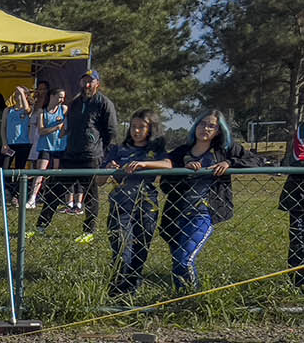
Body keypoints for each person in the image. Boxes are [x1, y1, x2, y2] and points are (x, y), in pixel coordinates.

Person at [159, 109, 263, 292]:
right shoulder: (181, 152)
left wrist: (229, 163)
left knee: (185, 259)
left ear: (218, 131)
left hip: (203, 213)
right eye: (202, 124)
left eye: (211, 126)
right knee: (177, 260)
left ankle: (193, 297)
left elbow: (256, 160)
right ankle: (179, 297)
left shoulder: (224, 151)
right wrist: (184, 170)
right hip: (177, 214)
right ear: (195, 126)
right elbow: (165, 186)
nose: (205, 128)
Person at [100, 109, 170, 298]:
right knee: (122, 248)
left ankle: (132, 290)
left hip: (147, 205)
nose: (136, 131)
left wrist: (144, 164)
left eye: (141, 127)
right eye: (133, 126)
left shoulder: (154, 152)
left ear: (151, 129)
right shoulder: (117, 150)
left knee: (141, 248)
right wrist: (108, 169)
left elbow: (168, 165)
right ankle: (116, 289)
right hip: (120, 205)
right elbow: (98, 180)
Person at [40, 71, 117, 244]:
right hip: (71, 155)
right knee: (55, 190)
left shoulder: (104, 103)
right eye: (84, 81)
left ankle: (89, 231)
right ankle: (40, 227)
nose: (87, 85)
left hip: (91, 157)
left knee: (90, 195)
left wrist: (101, 153)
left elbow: (112, 131)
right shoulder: (75, 103)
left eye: (90, 82)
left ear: (97, 83)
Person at [26, 87, 67, 211]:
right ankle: (32, 197)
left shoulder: (64, 109)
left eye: (63, 97)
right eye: (59, 96)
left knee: (56, 173)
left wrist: (62, 130)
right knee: (40, 172)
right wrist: (55, 128)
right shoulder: (42, 112)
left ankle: (55, 198)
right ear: (52, 96)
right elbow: (41, 130)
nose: (62, 99)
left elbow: (66, 127)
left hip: (59, 147)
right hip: (45, 146)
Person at [278, 121, 304, 290]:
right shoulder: (303, 129)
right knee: (299, 240)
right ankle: (298, 284)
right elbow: (299, 158)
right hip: (300, 193)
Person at [1, 86, 32, 203]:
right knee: (5, 168)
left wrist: (23, 94)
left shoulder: (27, 109)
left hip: (23, 144)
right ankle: (7, 191)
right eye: (16, 93)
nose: (17, 95)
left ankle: (17, 195)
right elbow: (3, 127)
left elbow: (27, 109)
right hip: (10, 144)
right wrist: (4, 143)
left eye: (19, 94)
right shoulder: (8, 110)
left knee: (20, 169)